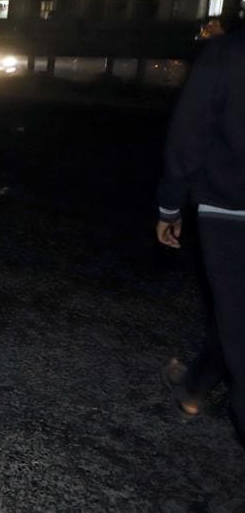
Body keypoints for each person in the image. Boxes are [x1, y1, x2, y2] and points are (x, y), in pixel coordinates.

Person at [156, 27, 245, 448]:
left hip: (230, 208)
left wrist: (170, 205)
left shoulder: (228, 51)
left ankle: (194, 390)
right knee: (232, 312)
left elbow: (190, 131)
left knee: (235, 316)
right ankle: (194, 387)